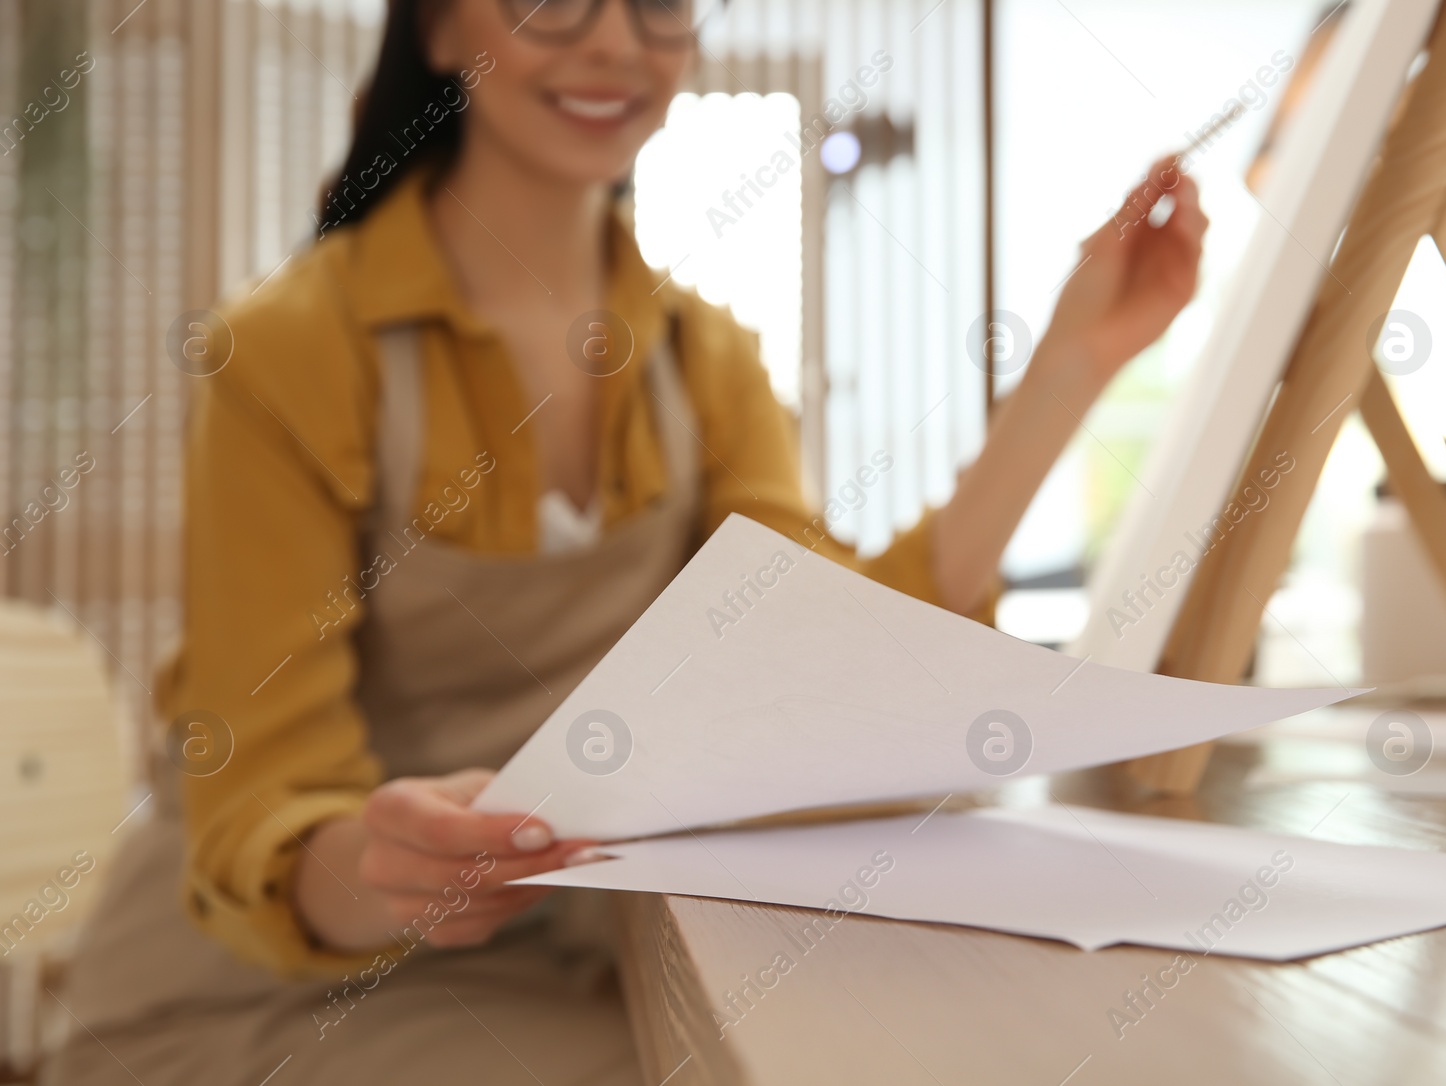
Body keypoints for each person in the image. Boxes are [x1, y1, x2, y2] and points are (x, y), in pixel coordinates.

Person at [43, 0, 1207, 1082]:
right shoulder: (288, 352)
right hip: (267, 997)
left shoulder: (708, 361)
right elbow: (258, 802)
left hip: (563, 962)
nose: (614, 42)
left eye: (654, 0)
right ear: (442, 29)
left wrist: (1071, 366)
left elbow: (836, 656)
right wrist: (378, 865)